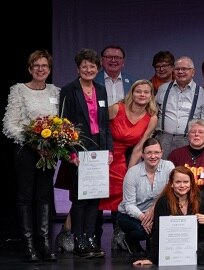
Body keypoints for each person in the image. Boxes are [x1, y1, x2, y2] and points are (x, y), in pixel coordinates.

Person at [3, 50, 60, 262]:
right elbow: (9, 124)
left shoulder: (55, 91)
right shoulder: (18, 90)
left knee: (44, 196)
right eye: (36, 65)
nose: (40, 69)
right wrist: (33, 141)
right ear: (30, 69)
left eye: (44, 65)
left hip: (48, 150)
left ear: (49, 69)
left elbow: (59, 122)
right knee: (26, 197)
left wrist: (53, 141)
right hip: (25, 150)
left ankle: (44, 243)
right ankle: (29, 245)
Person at [59, 48, 112, 259]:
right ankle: (78, 237)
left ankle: (91, 238)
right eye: (84, 66)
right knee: (80, 198)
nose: (88, 69)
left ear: (98, 68)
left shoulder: (101, 89)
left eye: (92, 66)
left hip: (98, 150)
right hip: (78, 150)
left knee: (95, 196)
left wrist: (108, 149)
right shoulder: (68, 90)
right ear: (78, 68)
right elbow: (64, 124)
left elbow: (105, 123)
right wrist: (70, 152)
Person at [101, 79, 159, 251]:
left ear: (151, 96)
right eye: (138, 91)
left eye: (146, 92)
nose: (142, 95)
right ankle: (75, 233)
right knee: (91, 195)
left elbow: (139, 147)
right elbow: (99, 130)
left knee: (123, 190)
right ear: (132, 93)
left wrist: (130, 172)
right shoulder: (116, 108)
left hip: (123, 159)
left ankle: (119, 235)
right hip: (104, 153)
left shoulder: (152, 118)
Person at [117, 138, 175, 255]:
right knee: (143, 230)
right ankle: (128, 239)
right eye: (149, 153)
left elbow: (170, 192)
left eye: (156, 152)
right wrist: (144, 218)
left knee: (159, 227)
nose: (153, 156)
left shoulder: (168, 166)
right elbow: (129, 205)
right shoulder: (133, 173)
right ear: (142, 155)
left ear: (162, 153)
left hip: (155, 211)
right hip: (131, 214)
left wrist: (153, 210)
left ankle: (151, 241)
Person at [155, 56, 204, 157]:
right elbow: (153, 112)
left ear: (193, 72)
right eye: (177, 69)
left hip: (188, 140)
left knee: (183, 171)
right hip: (163, 139)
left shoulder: (202, 93)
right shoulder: (163, 89)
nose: (180, 72)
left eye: (184, 69)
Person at [167, 119, 204, 208]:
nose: (196, 134)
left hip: (203, 200)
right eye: (193, 132)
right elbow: (170, 181)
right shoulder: (175, 154)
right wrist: (183, 199)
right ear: (188, 135)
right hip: (178, 200)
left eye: (201, 132)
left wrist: (194, 199)